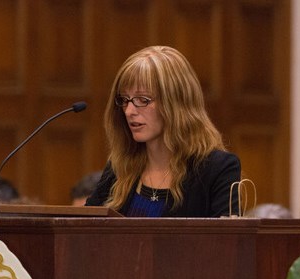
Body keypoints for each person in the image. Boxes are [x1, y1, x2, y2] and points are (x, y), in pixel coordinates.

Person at [85, 45, 241, 217]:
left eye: (142, 99)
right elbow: (85, 230)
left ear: (177, 104)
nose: (129, 111)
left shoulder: (216, 168)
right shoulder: (120, 167)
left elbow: (227, 241)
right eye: (124, 99)